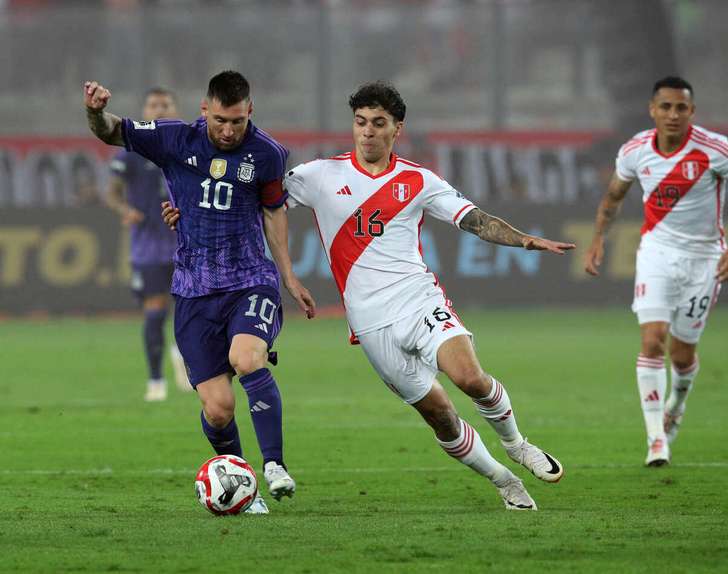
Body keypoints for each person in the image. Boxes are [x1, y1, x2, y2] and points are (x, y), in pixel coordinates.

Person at [165, 81, 574, 511]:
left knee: (468, 377)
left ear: (397, 128)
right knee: (440, 416)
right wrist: (183, 210)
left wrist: (525, 240)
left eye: (379, 124)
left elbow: (472, 219)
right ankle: (505, 481)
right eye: (361, 122)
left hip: (418, 300)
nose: (367, 132)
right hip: (370, 324)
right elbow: (254, 198)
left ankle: (518, 445)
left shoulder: (418, 180)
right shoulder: (320, 176)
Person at [84, 71, 316, 515]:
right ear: (204, 109)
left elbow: (274, 214)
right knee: (219, 408)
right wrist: (94, 112)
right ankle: (242, 483)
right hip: (193, 291)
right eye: (221, 120)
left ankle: (274, 465)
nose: (229, 131)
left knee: (246, 359)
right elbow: (112, 130)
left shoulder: (267, 154)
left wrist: (288, 276)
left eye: (238, 121)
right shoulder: (174, 139)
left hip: (250, 279)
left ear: (250, 113)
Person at [584, 76, 728, 466]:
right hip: (657, 253)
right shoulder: (635, 151)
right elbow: (613, 196)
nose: (673, 114)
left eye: (681, 107)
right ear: (653, 110)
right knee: (652, 340)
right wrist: (598, 239)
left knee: (682, 357)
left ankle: (676, 406)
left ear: (692, 112)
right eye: (665, 106)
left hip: (704, 261)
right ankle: (656, 440)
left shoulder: (716, 150)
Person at [104, 87, 189, 401]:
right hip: (149, 245)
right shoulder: (130, 151)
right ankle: (156, 381)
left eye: (165, 105)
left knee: (189, 311)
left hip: (186, 244)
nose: (160, 110)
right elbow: (112, 192)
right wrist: (125, 210)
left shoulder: (187, 147)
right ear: (144, 110)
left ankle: (184, 356)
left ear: (175, 110)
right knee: (154, 313)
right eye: (153, 105)